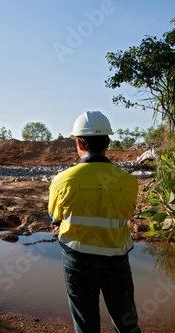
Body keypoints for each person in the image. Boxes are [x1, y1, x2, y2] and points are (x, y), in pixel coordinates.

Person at [48, 111, 141, 333]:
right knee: (127, 324)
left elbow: (54, 219)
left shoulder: (61, 181)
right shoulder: (128, 182)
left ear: (79, 143)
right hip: (116, 260)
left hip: (77, 261)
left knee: (86, 325)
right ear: (108, 142)